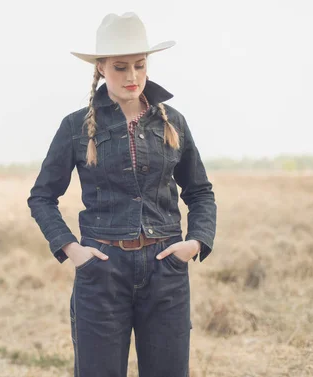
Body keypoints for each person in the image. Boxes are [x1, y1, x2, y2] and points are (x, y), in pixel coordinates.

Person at [26, 12, 217, 377]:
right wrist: (73, 250)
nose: (132, 77)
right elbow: (41, 197)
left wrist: (195, 243)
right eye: (120, 67)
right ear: (100, 68)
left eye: (139, 65)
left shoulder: (172, 121)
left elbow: (200, 191)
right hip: (102, 271)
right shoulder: (75, 126)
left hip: (167, 270)